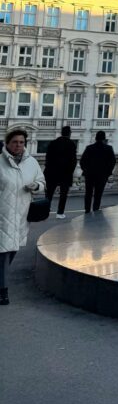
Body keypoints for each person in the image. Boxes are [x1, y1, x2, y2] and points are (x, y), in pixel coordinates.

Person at [0, 127, 45, 305]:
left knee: (12, 251)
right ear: (7, 143)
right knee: (3, 254)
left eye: (21, 142)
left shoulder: (31, 163)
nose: (18, 145)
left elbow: (42, 182)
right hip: (2, 214)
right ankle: (3, 291)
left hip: (21, 215)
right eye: (15, 142)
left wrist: (36, 186)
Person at [44, 125, 78, 219]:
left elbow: (48, 158)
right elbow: (73, 161)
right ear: (69, 133)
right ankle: (60, 213)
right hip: (65, 173)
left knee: (49, 193)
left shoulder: (53, 143)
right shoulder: (71, 144)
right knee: (63, 194)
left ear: (61, 133)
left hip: (52, 172)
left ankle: (46, 210)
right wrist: (70, 171)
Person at [80, 131, 117, 213]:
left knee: (88, 193)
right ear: (104, 138)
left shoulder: (89, 148)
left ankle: (87, 209)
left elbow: (82, 161)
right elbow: (113, 162)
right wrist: (108, 173)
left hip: (90, 175)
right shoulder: (109, 148)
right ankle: (95, 209)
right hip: (102, 175)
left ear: (95, 138)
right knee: (98, 194)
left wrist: (85, 171)